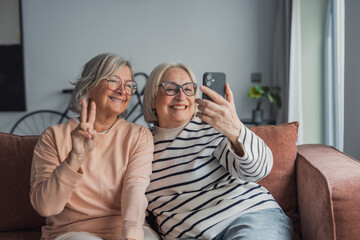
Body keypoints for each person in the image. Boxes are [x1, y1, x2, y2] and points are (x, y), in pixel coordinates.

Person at [142, 62, 294, 240]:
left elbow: (258, 170)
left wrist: (235, 129)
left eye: (188, 88)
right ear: (152, 98)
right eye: (171, 88)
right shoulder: (139, 144)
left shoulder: (211, 126)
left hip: (247, 216)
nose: (181, 96)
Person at [30, 53, 157, 240]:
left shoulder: (138, 135)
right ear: (90, 87)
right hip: (71, 232)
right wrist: (75, 157)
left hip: (128, 228)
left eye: (129, 85)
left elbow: (135, 189)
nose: (123, 90)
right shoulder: (53, 137)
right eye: (113, 81)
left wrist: (131, 235)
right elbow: (45, 207)